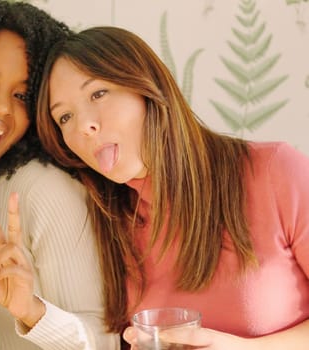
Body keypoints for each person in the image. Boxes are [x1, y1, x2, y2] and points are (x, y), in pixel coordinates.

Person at [36, 25, 309, 349]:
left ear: (147, 87)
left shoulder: (275, 171)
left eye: (98, 93)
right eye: (64, 117)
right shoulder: (111, 220)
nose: (84, 126)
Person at [0, 1, 120, 349]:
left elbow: (103, 341)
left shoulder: (42, 191)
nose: (1, 106)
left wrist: (32, 312)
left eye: (21, 95)